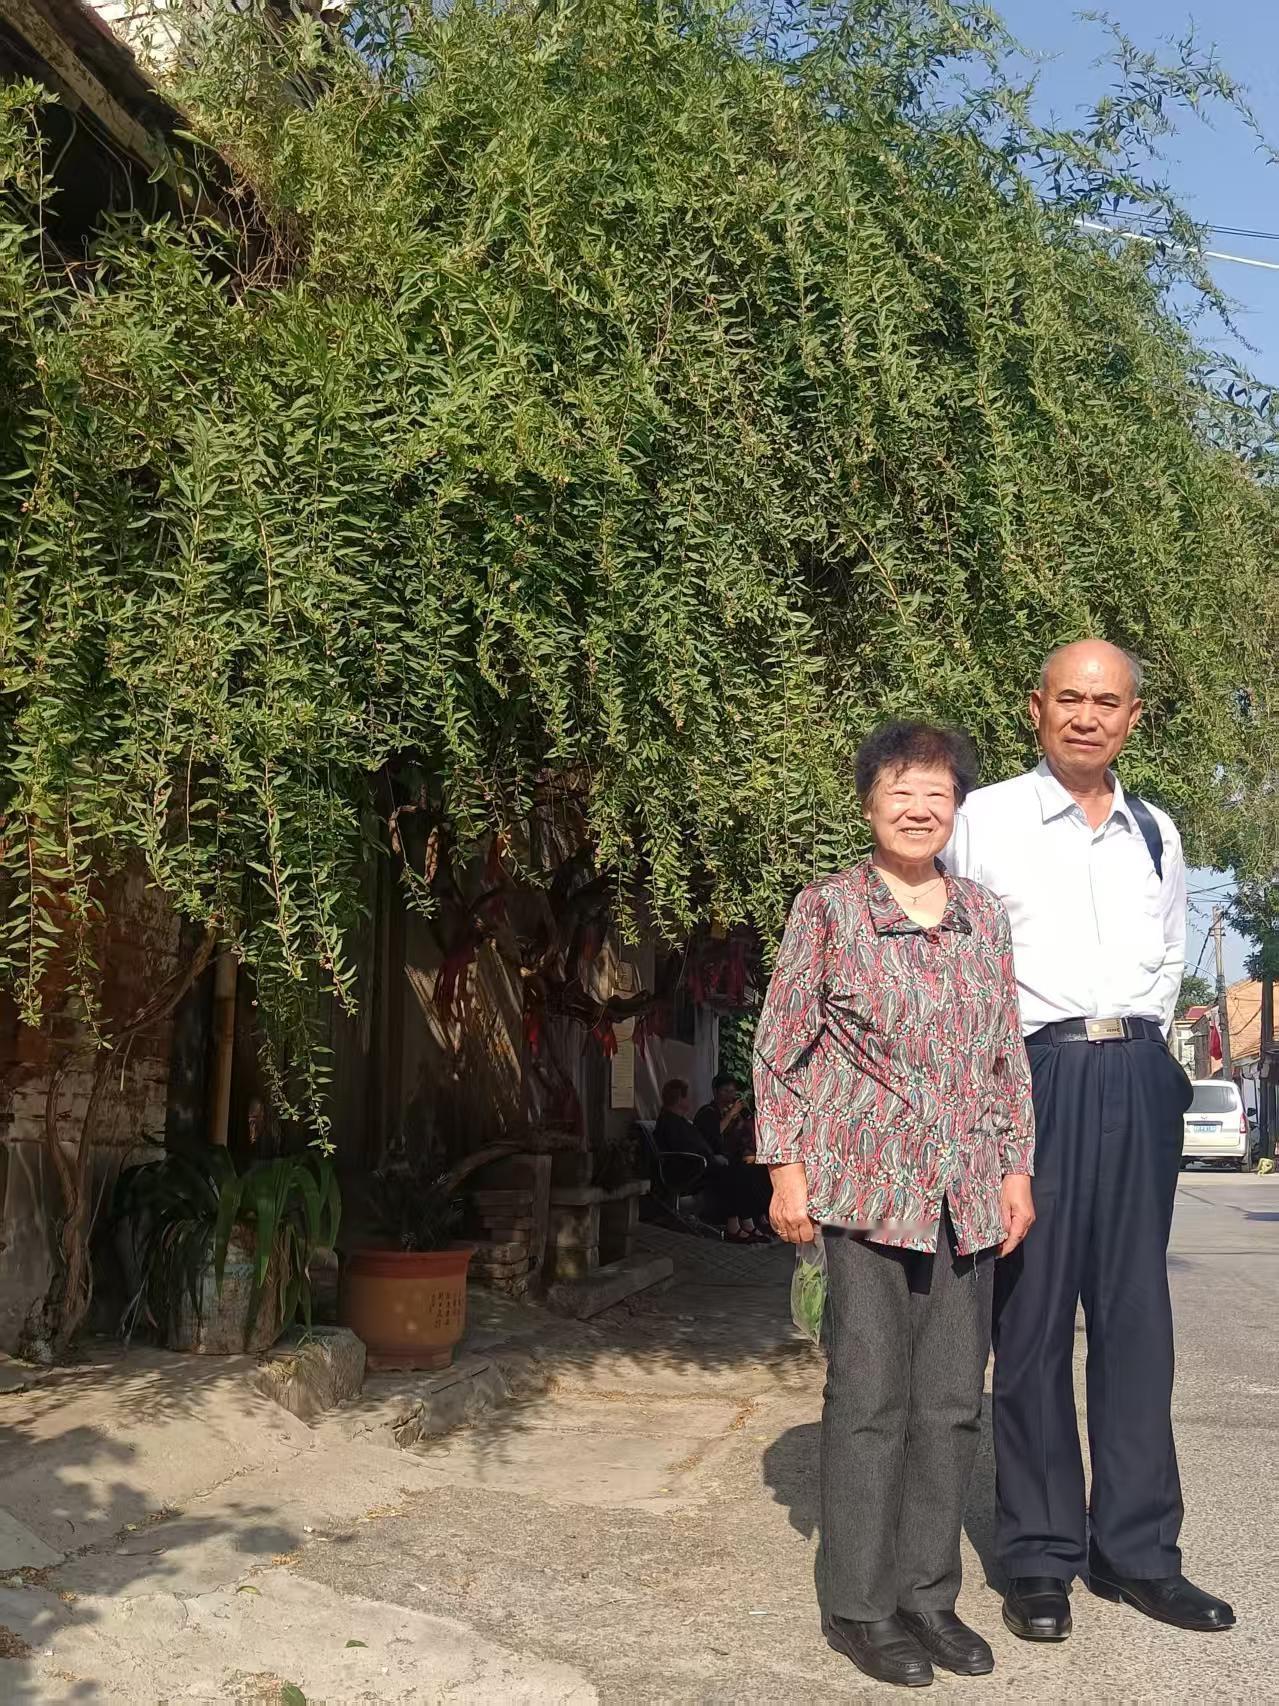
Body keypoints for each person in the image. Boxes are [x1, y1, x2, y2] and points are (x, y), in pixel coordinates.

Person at [945, 639, 1234, 1642]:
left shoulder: (1156, 829)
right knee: (1028, 1321)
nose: (1085, 715)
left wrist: (1147, 1044)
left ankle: (1138, 1549)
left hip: (1137, 1070)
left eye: (1105, 701)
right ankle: (1038, 1551)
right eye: (1067, 697)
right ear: (1034, 707)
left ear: (1132, 718)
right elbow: (949, 953)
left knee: (1133, 1318)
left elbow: (1163, 952)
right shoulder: (983, 822)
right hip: (1028, 1073)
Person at [755, 721, 1035, 1689]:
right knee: (870, 1398)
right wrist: (785, 1167)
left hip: (966, 1193)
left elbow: (1005, 1053)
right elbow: (777, 1044)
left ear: (956, 806)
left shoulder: (984, 915)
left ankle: (928, 1594)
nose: (918, 807)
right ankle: (860, 1605)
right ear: (868, 801)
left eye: (936, 792)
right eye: (899, 790)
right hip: (864, 1192)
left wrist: (1014, 1170)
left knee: (953, 1405)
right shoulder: (827, 909)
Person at [653, 1078, 764, 1241]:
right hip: (689, 1170)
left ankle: (748, 1223)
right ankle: (734, 1226)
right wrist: (711, 1159)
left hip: (700, 1164)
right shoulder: (670, 1122)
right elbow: (687, 1148)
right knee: (734, 1173)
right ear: (680, 1099)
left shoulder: (679, 1121)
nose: (689, 1100)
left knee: (743, 1169)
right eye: (687, 1097)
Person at [695, 1073, 774, 1238]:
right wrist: (730, 1116)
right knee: (743, 1173)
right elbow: (712, 1137)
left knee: (761, 1169)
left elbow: (739, 1140)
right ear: (715, 1092)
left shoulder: (733, 1113)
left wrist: (739, 1122)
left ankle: (760, 1217)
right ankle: (744, 1222)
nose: (730, 1095)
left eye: (732, 1091)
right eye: (726, 1090)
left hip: (731, 1158)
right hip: (711, 1162)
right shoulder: (707, 1112)